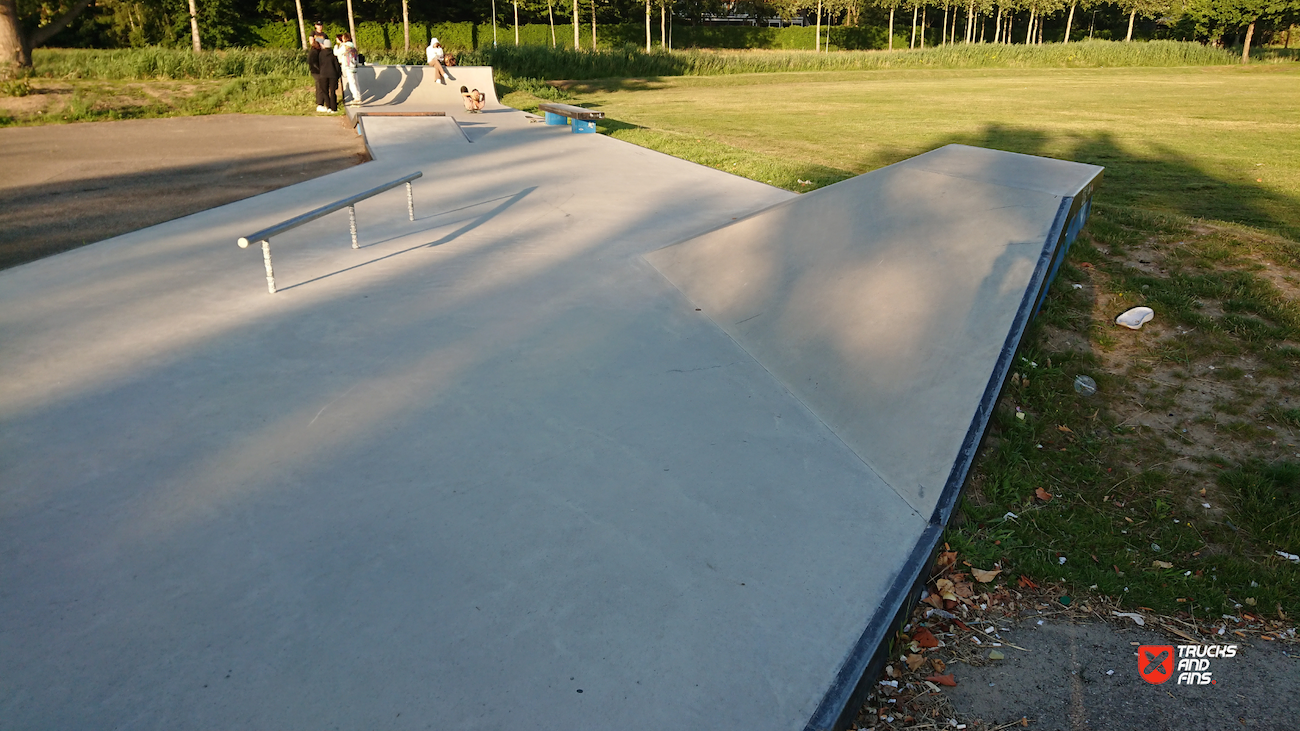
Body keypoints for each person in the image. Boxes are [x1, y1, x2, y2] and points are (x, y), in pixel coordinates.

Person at [312, 35, 341, 112]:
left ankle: (328, 106)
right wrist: (338, 74)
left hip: (323, 74)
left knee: (325, 91)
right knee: (332, 91)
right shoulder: (333, 54)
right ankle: (334, 108)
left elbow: (319, 63)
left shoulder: (321, 54)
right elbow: (337, 65)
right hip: (333, 75)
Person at [335, 33, 361, 104]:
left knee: (352, 83)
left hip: (348, 67)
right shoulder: (353, 47)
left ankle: (356, 98)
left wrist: (336, 46)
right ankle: (358, 96)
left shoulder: (345, 47)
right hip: (354, 67)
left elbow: (336, 53)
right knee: (356, 82)